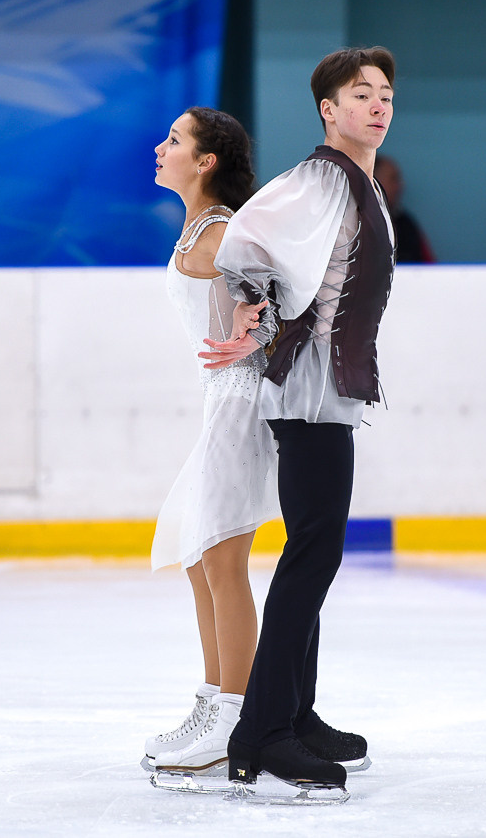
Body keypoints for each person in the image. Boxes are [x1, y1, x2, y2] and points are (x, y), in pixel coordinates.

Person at [200, 47, 397, 798]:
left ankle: (294, 714)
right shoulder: (321, 178)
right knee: (313, 554)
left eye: (385, 95)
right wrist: (252, 308)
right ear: (328, 109)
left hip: (324, 389)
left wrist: (262, 307)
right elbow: (241, 242)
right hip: (308, 389)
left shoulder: (356, 180)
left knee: (311, 553)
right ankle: (261, 734)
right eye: (360, 94)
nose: (377, 106)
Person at [145, 107, 280, 776]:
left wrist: (260, 331)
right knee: (200, 559)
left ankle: (234, 720)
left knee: (223, 565)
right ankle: (211, 701)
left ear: (206, 162)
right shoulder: (201, 229)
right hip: (220, 403)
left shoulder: (223, 233)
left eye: (175, 140)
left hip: (241, 405)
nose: (160, 147)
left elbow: (284, 304)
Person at [374, 155, 436, 262]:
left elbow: (428, 264)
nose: (400, 185)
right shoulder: (355, 221)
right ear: (374, 181)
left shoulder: (405, 223)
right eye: (393, 179)